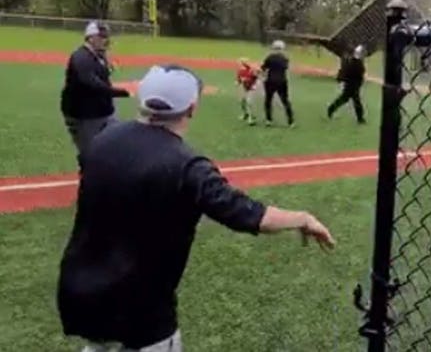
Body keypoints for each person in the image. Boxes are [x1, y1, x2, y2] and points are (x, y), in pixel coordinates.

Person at [56, 64, 336, 352]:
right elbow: (246, 214)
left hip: (82, 293)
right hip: (142, 311)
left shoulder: (102, 140)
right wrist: (302, 218)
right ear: (191, 108)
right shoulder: (188, 166)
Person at [60, 21, 131, 167]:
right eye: (102, 37)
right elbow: (91, 83)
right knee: (91, 156)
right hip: (85, 116)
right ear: (90, 37)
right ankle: (90, 185)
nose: (106, 40)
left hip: (103, 113)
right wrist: (122, 92)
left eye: (107, 37)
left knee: (114, 147)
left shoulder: (99, 56)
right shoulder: (81, 57)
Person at [327, 44, 367, 124]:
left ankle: (331, 109)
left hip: (352, 84)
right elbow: (356, 74)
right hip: (352, 85)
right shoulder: (355, 63)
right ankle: (360, 119)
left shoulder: (355, 61)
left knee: (345, 99)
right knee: (355, 101)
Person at [261, 40, 295, 128]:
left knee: (268, 100)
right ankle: (291, 121)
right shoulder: (285, 58)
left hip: (270, 81)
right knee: (285, 101)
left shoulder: (269, 57)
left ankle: (269, 120)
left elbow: (263, 68)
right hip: (282, 81)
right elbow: (286, 68)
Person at [235, 57, 260, 126]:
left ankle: (251, 118)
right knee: (242, 101)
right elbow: (239, 79)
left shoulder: (252, 70)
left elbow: (257, 77)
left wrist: (255, 84)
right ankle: (245, 114)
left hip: (252, 87)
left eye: (244, 62)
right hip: (245, 87)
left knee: (249, 102)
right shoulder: (240, 71)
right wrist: (237, 82)